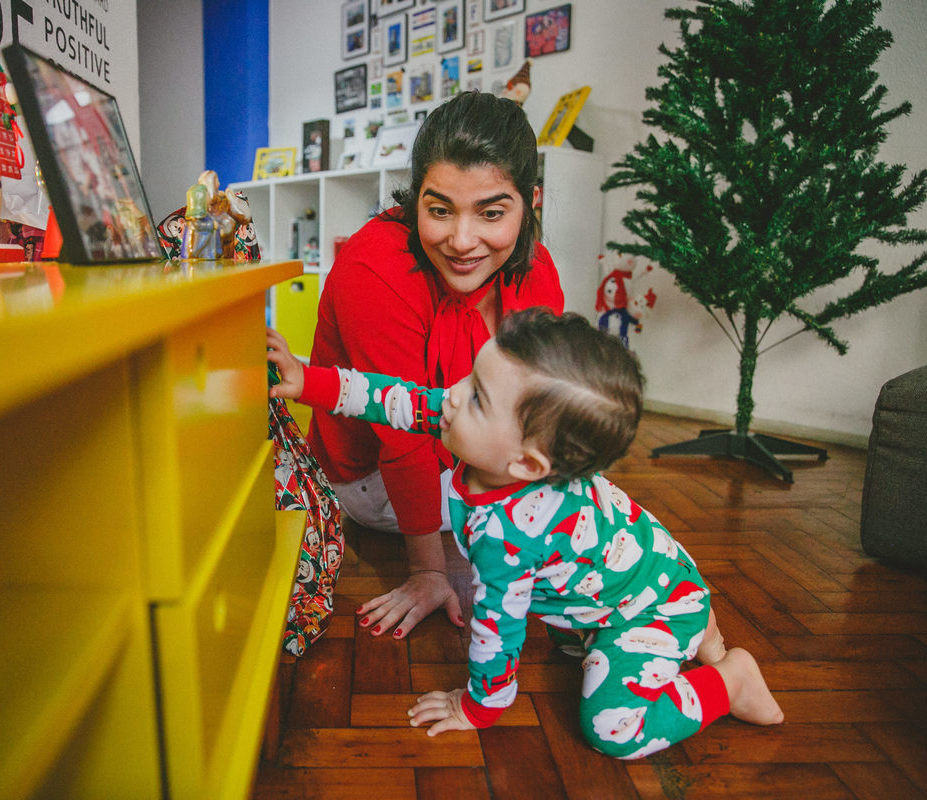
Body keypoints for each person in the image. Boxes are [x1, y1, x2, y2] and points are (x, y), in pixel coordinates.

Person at [267, 309, 783, 759]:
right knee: (580, 638)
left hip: (645, 607)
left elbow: (497, 632)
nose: (451, 395)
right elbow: (393, 399)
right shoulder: (480, 433)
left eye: (476, 398)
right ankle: (697, 626)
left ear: (527, 463)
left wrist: (476, 707)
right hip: (653, 574)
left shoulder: (508, 535)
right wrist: (305, 380)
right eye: (471, 377)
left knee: (613, 731)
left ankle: (728, 677)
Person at [306, 90, 564, 640]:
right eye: (439, 209)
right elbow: (398, 434)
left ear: (531, 202)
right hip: (372, 475)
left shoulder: (536, 268)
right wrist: (428, 570)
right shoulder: (374, 269)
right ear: (413, 197)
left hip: (464, 449)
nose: (462, 240)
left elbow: (541, 402)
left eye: (491, 212)